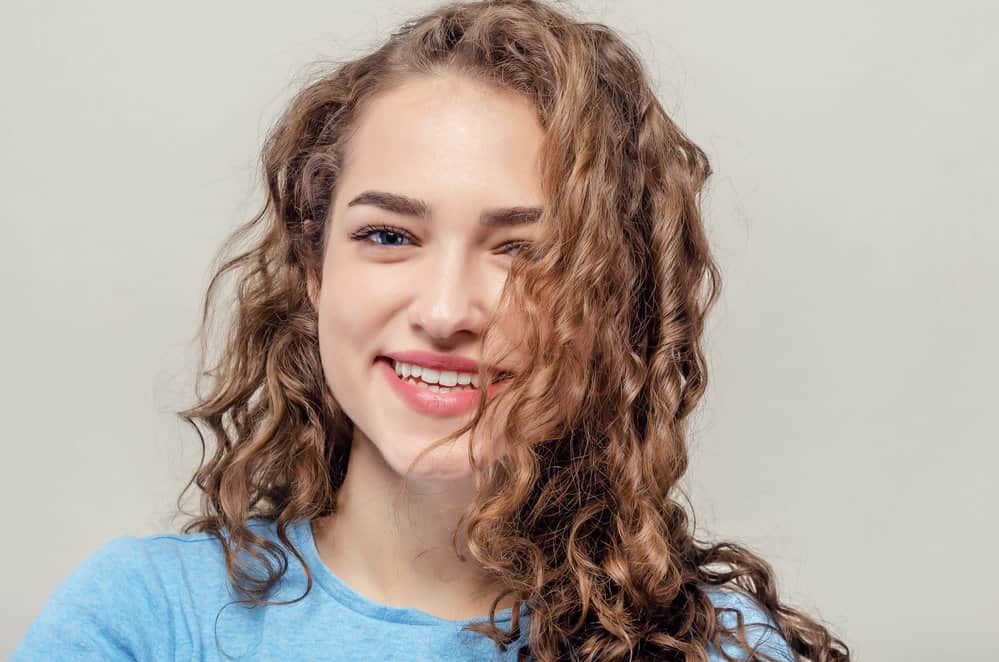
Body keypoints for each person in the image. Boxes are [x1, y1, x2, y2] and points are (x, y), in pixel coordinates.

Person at [13, 1, 851, 660]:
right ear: (314, 272)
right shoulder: (145, 621)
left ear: (616, 303)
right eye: (388, 236)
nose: (447, 311)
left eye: (527, 252)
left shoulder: (715, 649)